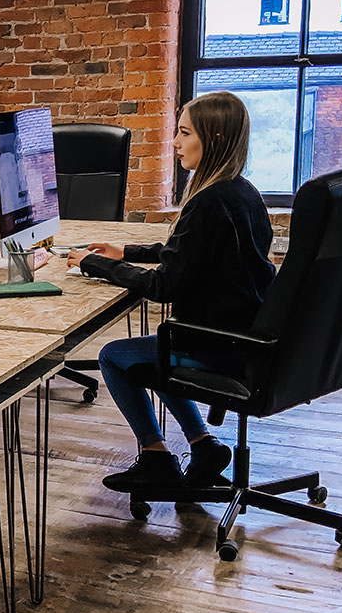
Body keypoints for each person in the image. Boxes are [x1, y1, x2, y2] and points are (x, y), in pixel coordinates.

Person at [67, 91, 275, 492]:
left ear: (212, 140)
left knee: (115, 357)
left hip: (215, 343)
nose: (175, 143)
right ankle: (204, 446)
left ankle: (156, 457)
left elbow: (163, 285)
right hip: (246, 335)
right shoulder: (243, 192)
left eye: (183, 133)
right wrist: (125, 251)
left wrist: (92, 264)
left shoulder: (207, 202)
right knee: (158, 351)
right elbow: (194, 255)